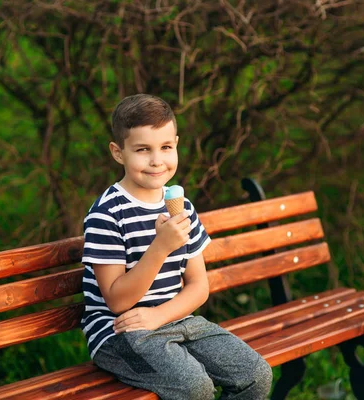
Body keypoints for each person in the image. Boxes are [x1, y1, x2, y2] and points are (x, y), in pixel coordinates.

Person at [81, 94, 272, 399]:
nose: (157, 160)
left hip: (175, 319)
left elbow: (198, 286)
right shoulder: (107, 214)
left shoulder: (181, 208)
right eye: (143, 149)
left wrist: (160, 316)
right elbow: (117, 301)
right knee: (194, 388)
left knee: (255, 375)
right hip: (119, 336)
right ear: (118, 153)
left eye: (166, 147)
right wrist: (161, 247)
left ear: (177, 144)